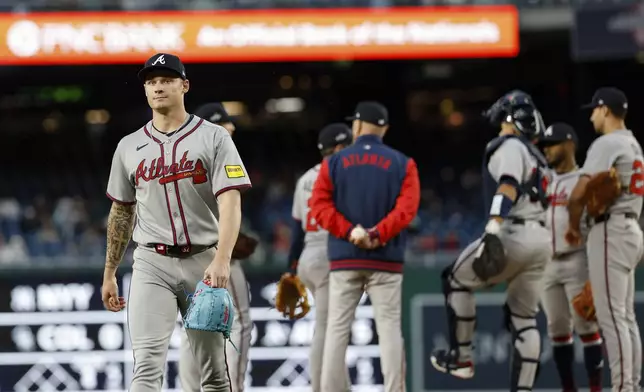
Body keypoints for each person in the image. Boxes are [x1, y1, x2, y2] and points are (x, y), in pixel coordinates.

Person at [100, 53, 251, 392]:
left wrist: (222, 258)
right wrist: (110, 272)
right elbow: (122, 212)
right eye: (151, 82)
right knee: (146, 369)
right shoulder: (129, 146)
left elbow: (231, 200)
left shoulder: (214, 137)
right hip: (152, 263)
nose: (158, 87)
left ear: (184, 85)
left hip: (203, 263)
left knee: (213, 374)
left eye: (166, 80)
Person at [430, 91, 551, 392]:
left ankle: (462, 357)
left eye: (503, 122)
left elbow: (508, 185)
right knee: (525, 319)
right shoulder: (540, 158)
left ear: (512, 121)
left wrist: (494, 226)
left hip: (513, 231)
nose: (499, 127)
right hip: (542, 239)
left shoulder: (510, 146)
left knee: (455, 280)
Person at [309, 101, 421, 392]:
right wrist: (377, 233)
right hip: (386, 258)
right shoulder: (403, 163)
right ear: (384, 128)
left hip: (345, 259)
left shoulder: (333, 162)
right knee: (389, 331)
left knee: (337, 330)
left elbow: (318, 206)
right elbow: (407, 210)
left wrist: (350, 232)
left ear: (356, 126)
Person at [566, 87, 642, 392]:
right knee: (625, 317)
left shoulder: (607, 142)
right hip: (630, 229)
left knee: (612, 318)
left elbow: (579, 193)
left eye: (595, 110)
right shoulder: (633, 143)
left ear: (606, 111)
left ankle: (624, 387)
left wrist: (573, 225)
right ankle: (632, 385)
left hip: (611, 231)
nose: (592, 115)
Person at [178, 102, 254, 392]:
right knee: (238, 322)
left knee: (191, 326)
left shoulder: (178, 155)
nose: (230, 132)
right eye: (225, 126)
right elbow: (225, 207)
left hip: (182, 253)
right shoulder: (216, 154)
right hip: (216, 255)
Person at [287, 123, 353, 392]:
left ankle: (340, 386)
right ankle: (322, 388)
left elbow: (296, 229)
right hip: (330, 256)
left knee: (329, 329)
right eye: (348, 145)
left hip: (307, 257)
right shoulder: (343, 174)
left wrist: (291, 268)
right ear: (338, 148)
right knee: (329, 331)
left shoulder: (305, 178)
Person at [538, 122, 604, 392]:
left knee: (587, 326)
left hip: (577, 260)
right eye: (546, 145)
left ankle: (596, 388)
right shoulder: (543, 181)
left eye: (553, 144)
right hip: (546, 264)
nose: (548, 150)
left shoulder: (585, 179)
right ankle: (568, 389)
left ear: (569, 145)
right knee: (557, 330)